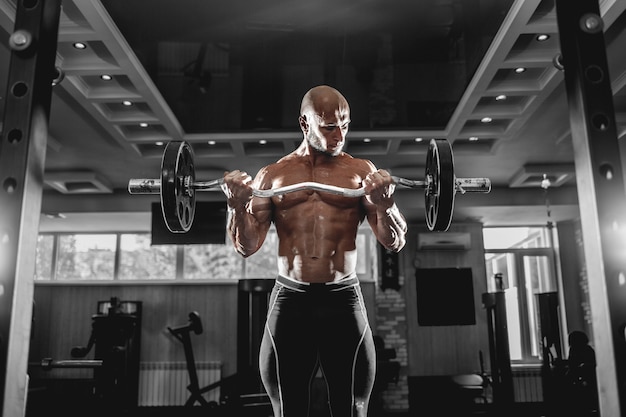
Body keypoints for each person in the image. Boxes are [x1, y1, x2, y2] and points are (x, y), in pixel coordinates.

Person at [221, 85, 407, 417]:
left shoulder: (361, 172)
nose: (340, 135)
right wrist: (236, 206)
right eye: (329, 126)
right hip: (291, 299)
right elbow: (246, 247)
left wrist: (387, 205)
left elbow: (394, 241)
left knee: (351, 408)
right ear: (305, 124)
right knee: (288, 408)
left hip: (343, 298)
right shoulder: (273, 176)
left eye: (346, 124)